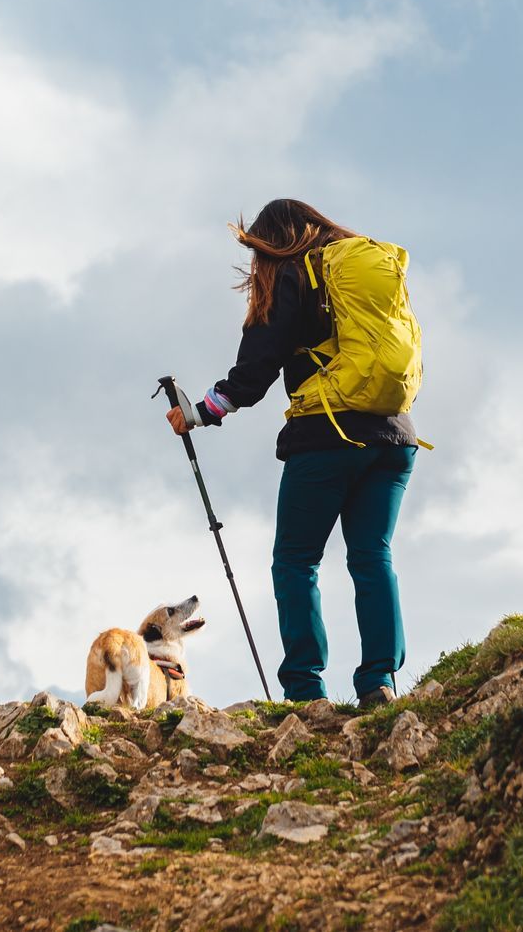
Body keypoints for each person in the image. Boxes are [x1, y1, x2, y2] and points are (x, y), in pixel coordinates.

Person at [166, 199, 423, 709]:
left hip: (325, 438)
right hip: (395, 437)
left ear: (272, 243)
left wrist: (200, 412)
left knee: (295, 562)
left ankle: (306, 690)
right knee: (373, 556)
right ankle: (380, 682)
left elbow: (255, 370)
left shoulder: (294, 276)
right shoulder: (364, 273)